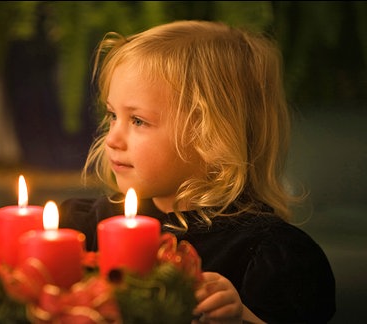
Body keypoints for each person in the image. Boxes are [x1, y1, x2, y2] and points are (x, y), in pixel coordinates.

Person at [59, 20, 336, 323]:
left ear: (212, 135)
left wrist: (241, 316)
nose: (111, 139)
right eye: (113, 115)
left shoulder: (270, 256)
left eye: (138, 120)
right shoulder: (83, 229)